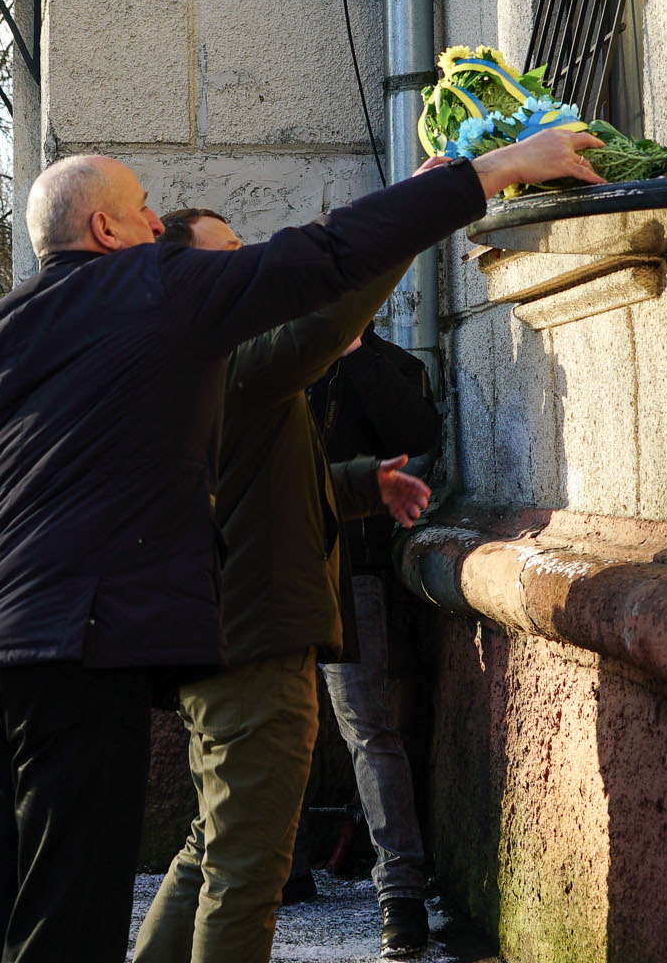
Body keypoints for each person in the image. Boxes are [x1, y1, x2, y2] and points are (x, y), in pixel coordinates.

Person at [0, 129, 601, 963]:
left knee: (8, 913)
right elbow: (320, 258)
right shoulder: (150, 285)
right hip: (79, 652)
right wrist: (488, 173)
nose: (153, 223)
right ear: (106, 231)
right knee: (70, 918)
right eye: (142, 209)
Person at [133, 208, 433, 963]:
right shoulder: (233, 358)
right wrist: (421, 211)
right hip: (253, 647)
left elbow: (258, 488)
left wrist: (363, 483)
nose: (250, 263)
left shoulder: (188, 359)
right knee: (245, 870)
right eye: (229, 254)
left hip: (222, 637)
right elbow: (330, 320)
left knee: (213, 848)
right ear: (189, 275)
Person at [306, 325, 445, 954]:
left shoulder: (388, 364)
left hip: (351, 569)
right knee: (253, 725)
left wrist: (354, 353)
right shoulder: (269, 356)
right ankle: (276, 867)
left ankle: (400, 892)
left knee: (369, 728)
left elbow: (415, 435)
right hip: (260, 574)